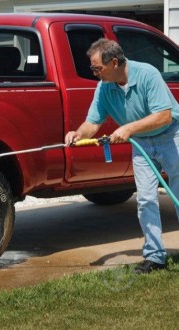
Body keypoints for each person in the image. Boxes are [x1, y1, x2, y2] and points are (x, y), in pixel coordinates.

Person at [65, 38, 179, 274]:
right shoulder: (104, 88)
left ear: (114, 62)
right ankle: (155, 257)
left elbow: (164, 116)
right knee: (146, 199)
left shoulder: (148, 74)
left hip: (171, 136)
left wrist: (128, 128)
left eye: (97, 68)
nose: (95, 73)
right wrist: (77, 134)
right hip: (141, 143)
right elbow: (92, 122)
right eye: (93, 69)